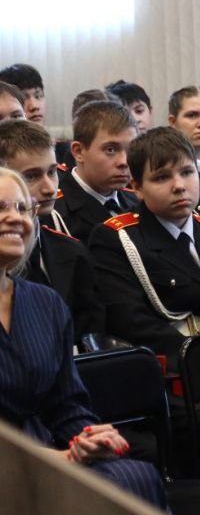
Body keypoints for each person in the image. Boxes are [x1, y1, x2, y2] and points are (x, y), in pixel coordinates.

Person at [0, 166, 167, 508]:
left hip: (49, 454)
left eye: (22, 208)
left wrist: (88, 438)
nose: (15, 218)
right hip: (12, 467)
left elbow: (66, 405)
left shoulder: (45, 303)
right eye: (1, 208)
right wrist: (58, 459)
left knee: (135, 476)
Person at [88, 128, 200, 365]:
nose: (179, 186)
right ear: (137, 188)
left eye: (187, 172)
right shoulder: (116, 239)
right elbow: (132, 323)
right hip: (171, 368)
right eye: (161, 178)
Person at [0, 119, 104, 345]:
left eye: (52, 172)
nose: (49, 188)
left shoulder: (72, 251)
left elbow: (90, 335)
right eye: (31, 176)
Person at [52, 100, 139, 241]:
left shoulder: (137, 201)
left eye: (130, 150)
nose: (124, 162)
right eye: (110, 149)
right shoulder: (54, 211)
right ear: (79, 152)